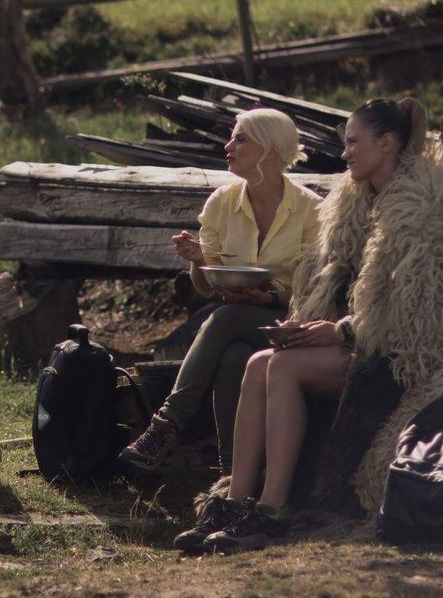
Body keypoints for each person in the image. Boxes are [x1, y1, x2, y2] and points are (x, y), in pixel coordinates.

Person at [176, 97, 443, 553]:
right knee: (261, 363)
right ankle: (237, 501)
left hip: (409, 357)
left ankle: (272, 511)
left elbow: (423, 313)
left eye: (354, 142)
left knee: (280, 368)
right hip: (361, 340)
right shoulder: (354, 205)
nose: (345, 154)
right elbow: (334, 283)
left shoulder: (428, 210)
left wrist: (341, 331)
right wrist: (309, 325)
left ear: (387, 143)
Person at [118, 108, 320, 472]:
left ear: (271, 151)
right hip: (242, 319)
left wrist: (270, 298)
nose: (228, 146)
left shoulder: (311, 210)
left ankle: (166, 425)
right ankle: (231, 474)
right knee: (232, 356)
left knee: (225, 318)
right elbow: (205, 287)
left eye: (241, 138)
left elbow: (317, 291)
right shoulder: (222, 203)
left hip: (294, 320)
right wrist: (198, 258)